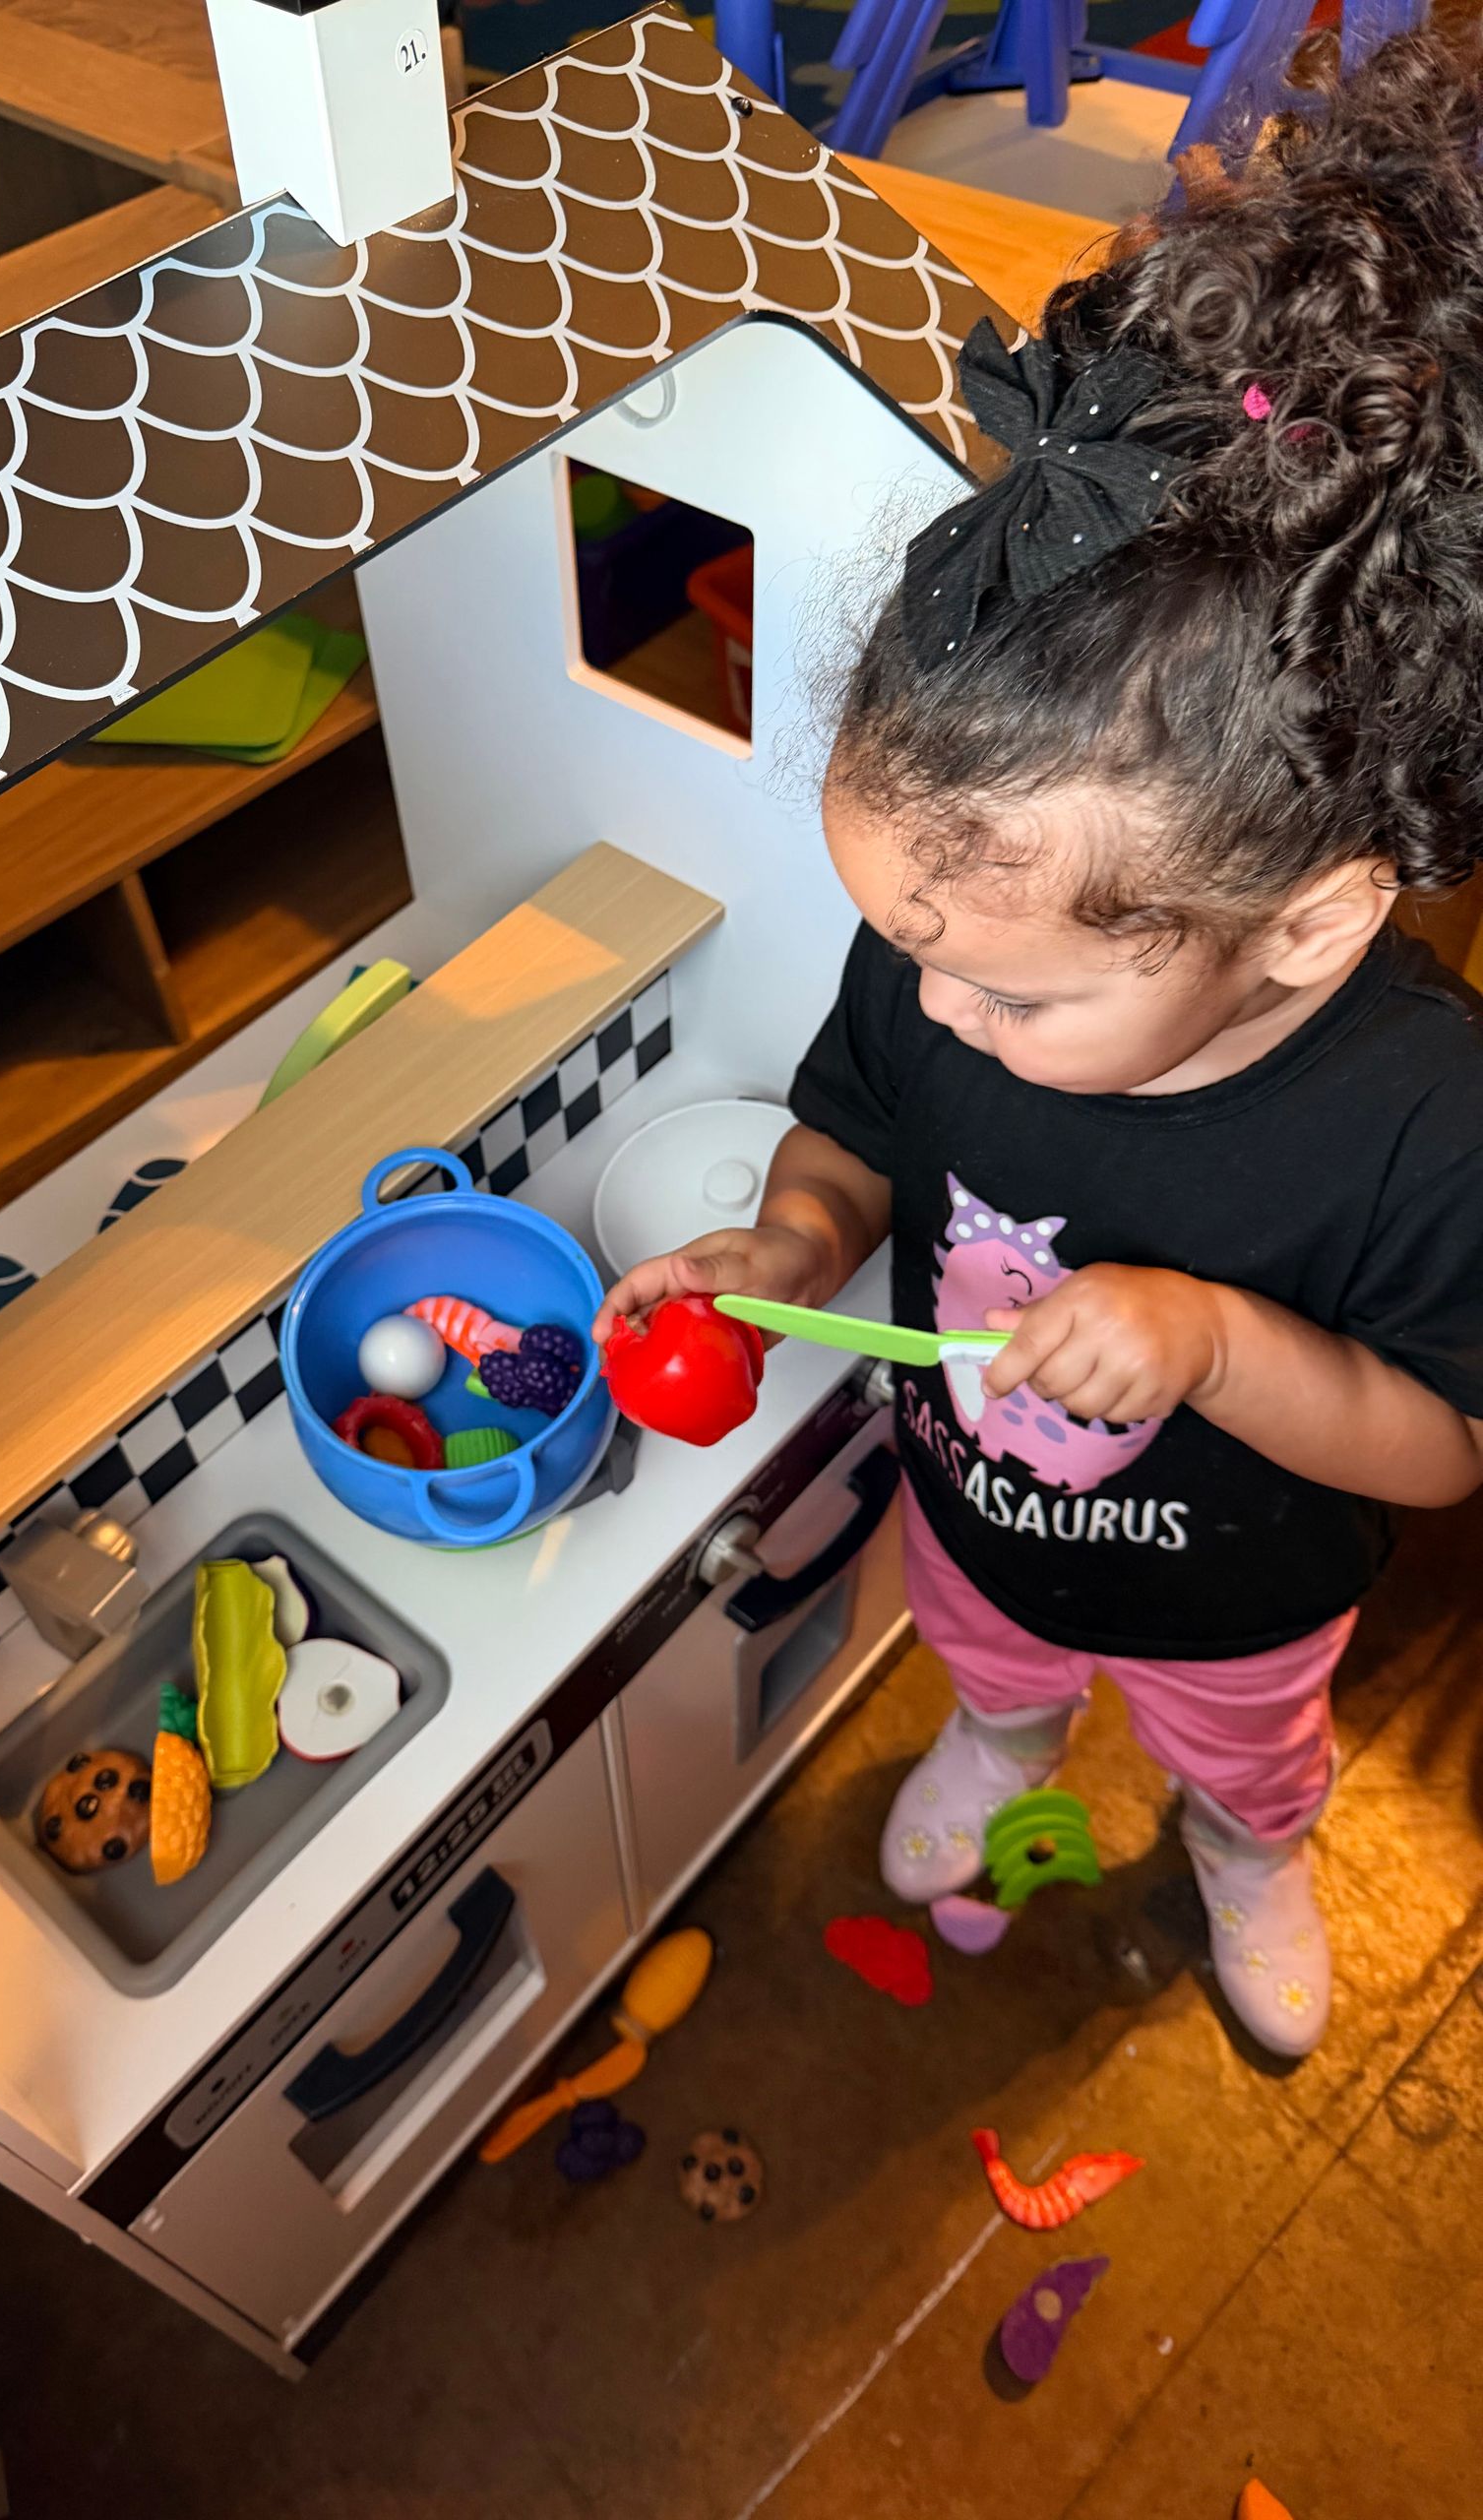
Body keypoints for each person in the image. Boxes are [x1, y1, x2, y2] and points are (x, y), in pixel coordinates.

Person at [592, 29, 1483, 2058]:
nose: (939, 1009)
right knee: (986, 1658)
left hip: (1239, 1600)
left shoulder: (1429, 1116)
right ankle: (1003, 1746)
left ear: (1309, 921)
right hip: (978, 1516)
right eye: (914, 949)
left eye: (1012, 991)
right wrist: (803, 1242)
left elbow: (1442, 1450)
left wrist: (1211, 1342)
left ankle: (1249, 1846)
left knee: (1245, 1756)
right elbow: (853, 1130)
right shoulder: (953, 958)